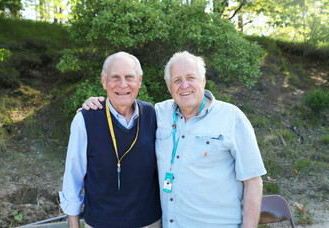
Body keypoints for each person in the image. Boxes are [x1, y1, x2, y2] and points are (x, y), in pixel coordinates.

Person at [82, 51, 266, 227]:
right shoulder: (158, 114)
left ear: (203, 80)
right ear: (169, 87)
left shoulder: (232, 118)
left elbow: (253, 182)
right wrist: (95, 105)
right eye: (177, 80)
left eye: (190, 78)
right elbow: (124, 106)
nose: (184, 85)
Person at [59, 52, 161, 228]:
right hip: (100, 223)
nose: (123, 85)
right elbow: (73, 177)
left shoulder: (154, 114)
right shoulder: (85, 120)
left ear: (140, 81)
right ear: (104, 81)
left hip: (149, 222)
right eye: (115, 77)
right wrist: (74, 225)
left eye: (129, 77)